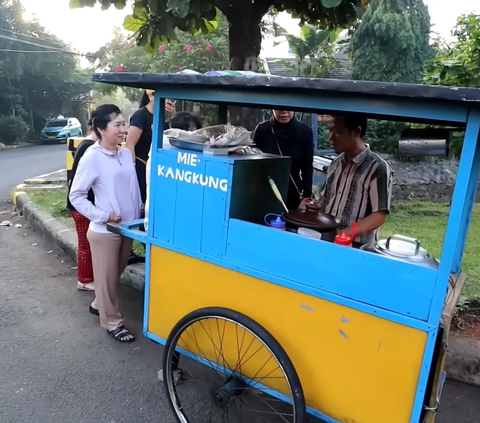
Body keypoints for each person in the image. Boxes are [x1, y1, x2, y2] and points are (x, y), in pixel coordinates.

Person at [69, 104, 143, 343]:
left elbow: (132, 187)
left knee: (114, 275)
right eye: (118, 125)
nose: (124, 129)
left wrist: (139, 209)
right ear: (101, 129)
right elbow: (76, 195)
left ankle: (98, 303)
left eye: (125, 124)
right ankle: (112, 322)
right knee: (107, 278)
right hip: (105, 231)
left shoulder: (124, 153)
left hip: (127, 227)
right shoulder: (93, 157)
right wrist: (103, 216)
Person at [320, 113, 393, 247]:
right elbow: (326, 200)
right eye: (330, 131)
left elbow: (378, 216)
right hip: (328, 241)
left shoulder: (377, 168)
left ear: (356, 132)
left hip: (359, 247)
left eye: (338, 132)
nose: (331, 138)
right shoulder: (335, 164)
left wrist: (343, 235)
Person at [144, 112, 202, 231]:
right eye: (195, 131)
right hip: (165, 221)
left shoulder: (160, 142)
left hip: (160, 220)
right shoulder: (168, 142)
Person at [252, 110, 314, 209]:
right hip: (265, 192)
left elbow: (307, 168)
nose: (284, 112)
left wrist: (306, 197)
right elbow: (253, 165)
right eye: (279, 108)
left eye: (288, 108)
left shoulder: (305, 132)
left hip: (293, 194)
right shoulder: (262, 130)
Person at [126, 90, 176, 203]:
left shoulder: (162, 116)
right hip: (140, 165)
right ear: (150, 96)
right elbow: (130, 144)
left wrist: (170, 116)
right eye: (165, 98)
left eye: (169, 99)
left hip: (156, 166)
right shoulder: (141, 115)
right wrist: (131, 170)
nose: (167, 101)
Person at [67, 115, 99, 291]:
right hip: (82, 206)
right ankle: (85, 280)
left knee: (88, 243)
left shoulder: (88, 146)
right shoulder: (89, 148)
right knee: (86, 244)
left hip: (85, 205)